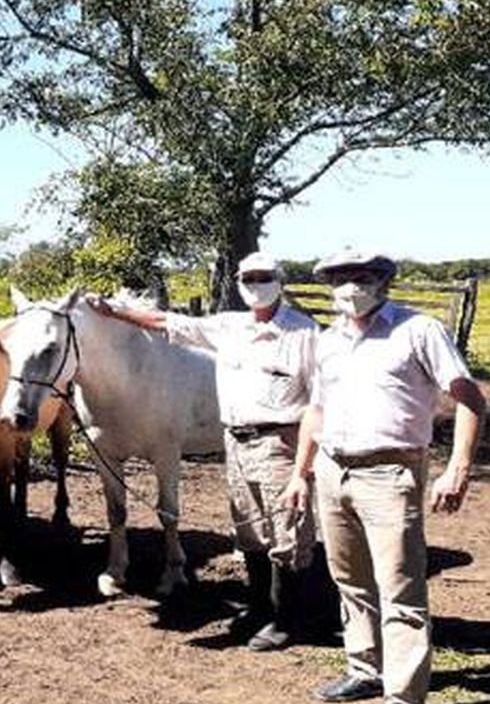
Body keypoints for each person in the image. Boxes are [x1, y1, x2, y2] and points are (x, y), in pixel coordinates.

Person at [279, 249, 485, 704]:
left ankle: (405, 702)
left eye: (363, 277)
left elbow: (470, 397)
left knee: (401, 588)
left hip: (392, 470)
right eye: (341, 279)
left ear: (384, 281)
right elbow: (316, 410)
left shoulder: (418, 330)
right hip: (334, 469)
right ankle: (364, 667)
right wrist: (301, 473)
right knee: (349, 577)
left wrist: (457, 467)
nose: (351, 286)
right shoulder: (327, 342)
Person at [86, 252, 321, 650]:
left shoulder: (306, 334)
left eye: (265, 277)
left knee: (287, 531)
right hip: (238, 441)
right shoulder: (229, 326)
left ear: (280, 280)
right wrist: (111, 311)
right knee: (249, 529)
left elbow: (319, 401)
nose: (256, 285)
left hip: (281, 440)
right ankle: (261, 607)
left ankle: (287, 618)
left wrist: (304, 466)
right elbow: (166, 323)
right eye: (248, 278)